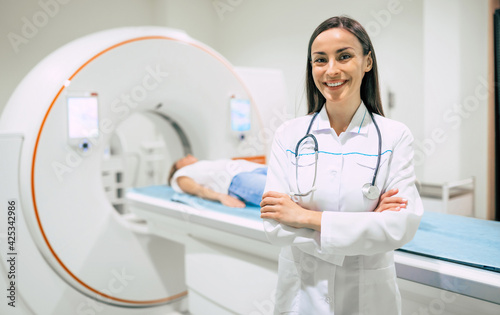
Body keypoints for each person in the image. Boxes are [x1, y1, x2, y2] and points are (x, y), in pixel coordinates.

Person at [260, 16, 423, 314]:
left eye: (344, 56)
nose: (331, 70)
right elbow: (275, 227)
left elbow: (399, 227)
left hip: (368, 299)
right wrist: (366, 224)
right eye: (320, 60)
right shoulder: (289, 135)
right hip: (301, 296)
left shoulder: (394, 136)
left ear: (367, 62)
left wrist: (305, 217)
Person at [168, 154, 267, 207]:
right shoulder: (179, 175)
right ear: (178, 167)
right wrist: (220, 196)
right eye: (183, 159)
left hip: (252, 168)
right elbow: (198, 190)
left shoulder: (203, 164)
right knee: (279, 191)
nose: (188, 155)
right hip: (235, 179)